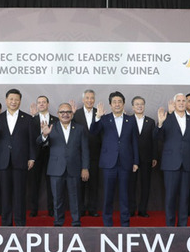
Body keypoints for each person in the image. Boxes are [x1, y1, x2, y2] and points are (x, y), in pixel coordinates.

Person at [0, 89, 37, 226]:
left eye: (16, 99)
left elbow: (32, 140)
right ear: (6, 100)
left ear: (20, 101)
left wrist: (32, 158)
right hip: (3, 162)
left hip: (21, 161)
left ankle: (20, 223)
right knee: (5, 195)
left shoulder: (28, 119)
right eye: (11, 99)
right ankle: (6, 223)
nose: (13, 102)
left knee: (20, 195)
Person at [89, 91, 139, 227]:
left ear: (123, 104)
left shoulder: (131, 120)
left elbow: (134, 142)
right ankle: (107, 223)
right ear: (110, 105)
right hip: (108, 163)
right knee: (107, 195)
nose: (117, 104)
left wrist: (135, 161)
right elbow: (93, 132)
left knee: (125, 195)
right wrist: (97, 117)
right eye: (114, 102)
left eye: (119, 102)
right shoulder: (104, 119)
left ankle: (125, 223)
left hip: (126, 162)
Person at [156, 94, 190, 227]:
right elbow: (158, 138)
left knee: (185, 198)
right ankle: (170, 226)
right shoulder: (167, 118)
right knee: (170, 197)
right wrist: (160, 123)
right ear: (174, 103)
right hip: (171, 164)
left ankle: (183, 227)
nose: (182, 103)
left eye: (184, 101)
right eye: (179, 101)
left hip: (188, 164)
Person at [38, 103, 89, 227]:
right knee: (57, 199)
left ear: (72, 114)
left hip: (75, 168)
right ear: (58, 114)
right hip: (56, 169)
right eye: (62, 112)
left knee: (75, 198)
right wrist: (44, 135)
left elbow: (85, 150)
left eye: (68, 112)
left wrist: (85, 168)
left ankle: (76, 222)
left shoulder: (80, 128)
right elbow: (39, 143)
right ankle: (58, 222)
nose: (65, 114)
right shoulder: (51, 127)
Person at [72, 89, 102, 217]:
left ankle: (92, 208)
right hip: (79, 154)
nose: (90, 100)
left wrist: (100, 118)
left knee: (93, 183)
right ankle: (80, 209)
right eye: (87, 98)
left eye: (92, 98)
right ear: (83, 100)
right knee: (79, 184)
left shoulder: (100, 113)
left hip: (96, 153)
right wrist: (71, 118)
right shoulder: (76, 114)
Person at [128, 96, 158, 217]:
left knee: (146, 185)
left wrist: (154, 156)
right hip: (130, 158)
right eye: (137, 104)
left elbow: (154, 140)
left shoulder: (150, 121)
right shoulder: (127, 120)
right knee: (131, 185)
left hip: (147, 158)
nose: (139, 106)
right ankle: (131, 209)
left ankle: (142, 210)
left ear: (144, 106)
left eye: (142, 104)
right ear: (133, 107)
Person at [28, 95, 58, 217]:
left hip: (51, 154)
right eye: (39, 102)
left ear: (48, 104)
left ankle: (52, 210)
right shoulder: (32, 120)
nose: (41, 104)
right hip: (35, 155)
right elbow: (30, 140)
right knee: (34, 183)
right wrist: (31, 156)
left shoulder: (55, 120)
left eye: (43, 102)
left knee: (52, 183)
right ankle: (34, 209)